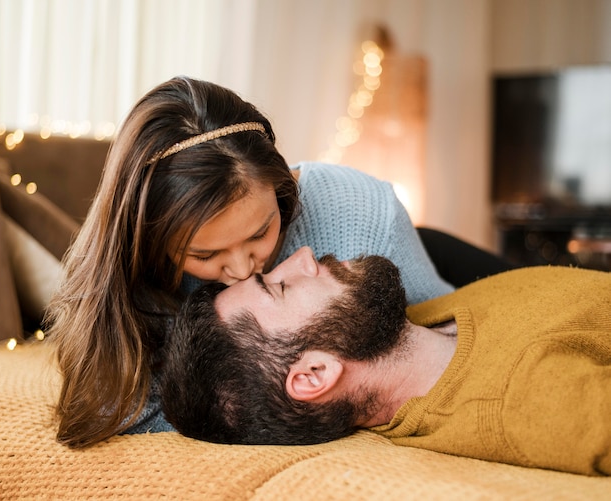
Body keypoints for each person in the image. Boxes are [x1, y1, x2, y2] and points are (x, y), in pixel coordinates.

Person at [45, 75, 512, 449]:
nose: (245, 270)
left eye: (260, 233)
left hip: (433, 262)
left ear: (282, 188)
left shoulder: (361, 211)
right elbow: (114, 408)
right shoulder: (124, 286)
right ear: (148, 241)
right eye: (205, 254)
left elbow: (443, 332)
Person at [160, 246, 611, 477]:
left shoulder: (416, 322)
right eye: (281, 286)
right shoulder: (529, 402)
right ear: (316, 373)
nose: (303, 257)